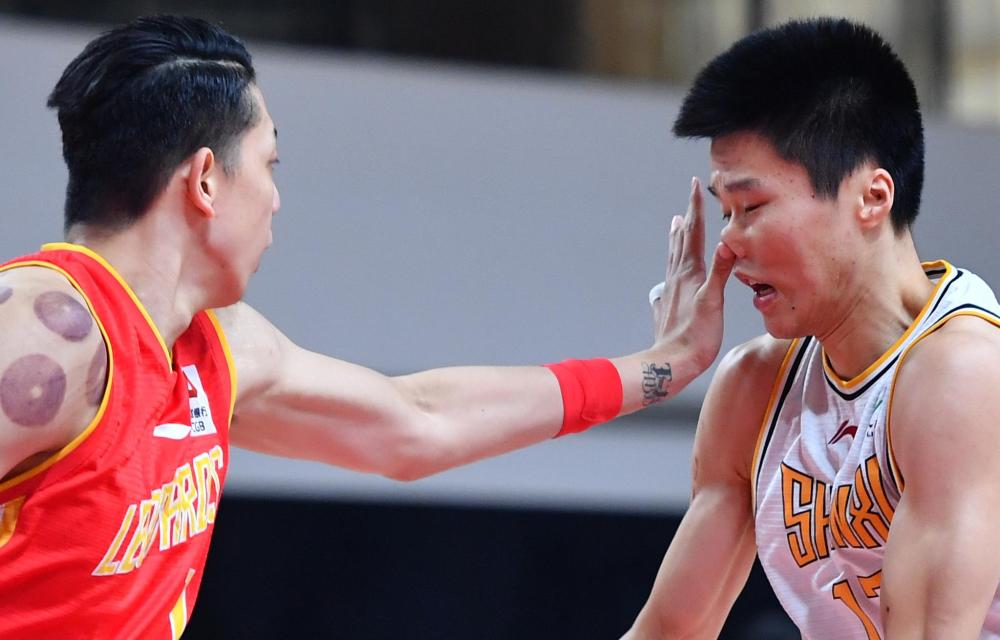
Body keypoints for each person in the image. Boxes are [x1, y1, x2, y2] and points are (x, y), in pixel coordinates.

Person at [0, 15, 735, 639]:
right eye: (270, 164)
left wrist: (663, 366)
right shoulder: (51, 335)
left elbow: (418, 422)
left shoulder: (218, 346)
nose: (276, 200)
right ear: (206, 181)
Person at [622, 17, 1000, 640]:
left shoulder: (960, 375)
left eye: (752, 207)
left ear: (871, 198)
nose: (728, 244)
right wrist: (663, 366)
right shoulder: (752, 388)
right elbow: (669, 630)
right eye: (724, 211)